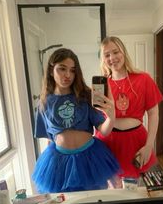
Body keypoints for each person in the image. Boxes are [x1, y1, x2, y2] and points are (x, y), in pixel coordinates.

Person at [32, 48, 120, 193]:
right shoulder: (44, 103)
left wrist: (111, 116)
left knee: (93, 201)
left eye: (72, 70)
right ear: (50, 70)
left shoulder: (86, 96)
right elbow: (51, 138)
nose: (68, 75)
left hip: (90, 158)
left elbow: (104, 131)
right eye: (62, 69)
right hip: (59, 162)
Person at [95, 36, 163, 180]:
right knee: (114, 190)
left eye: (115, 52)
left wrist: (149, 145)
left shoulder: (143, 79)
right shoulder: (102, 85)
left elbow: (153, 114)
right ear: (103, 59)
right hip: (108, 143)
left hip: (136, 142)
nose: (112, 58)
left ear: (123, 52)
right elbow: (97, 119)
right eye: (107, 55)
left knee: (139, 189)